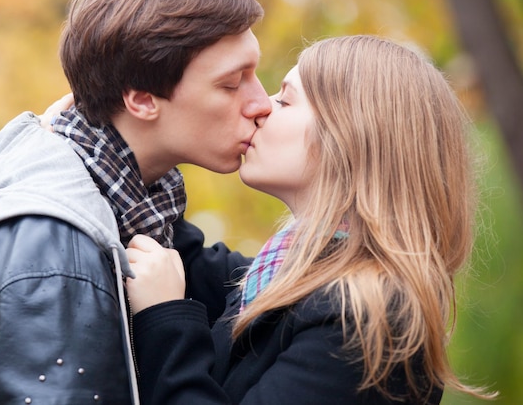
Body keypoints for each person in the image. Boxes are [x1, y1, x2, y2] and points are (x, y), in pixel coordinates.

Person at [0, 0, 271, 404]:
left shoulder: (138, 214)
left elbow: (264, 286)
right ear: (142, 99)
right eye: (232, 83)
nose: (262, 102)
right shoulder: (52, 254)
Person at [124, 35, 496, 404]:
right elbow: (173, 246)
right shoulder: (279, 280)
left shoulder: (367, 322)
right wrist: (118, 132)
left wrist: (164, 319)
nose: (259, 108)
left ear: (349, 136)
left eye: (284, 100)